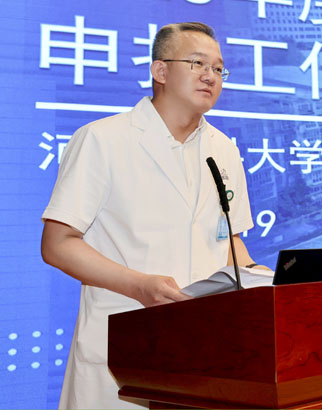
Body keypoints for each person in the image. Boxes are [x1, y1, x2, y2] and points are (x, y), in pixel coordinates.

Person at [41, 22, 259, 409]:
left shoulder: (224, 149)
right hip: (122, 345)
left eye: (218, 68)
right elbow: (57, 244)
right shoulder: (102, 139)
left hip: (205, 351)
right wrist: (140, 286)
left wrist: (265, 282)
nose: (210, 76)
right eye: (197, 63)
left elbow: (229, 241)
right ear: (160, 70)